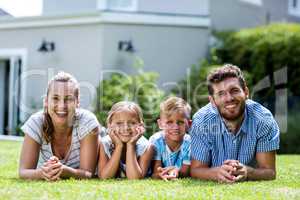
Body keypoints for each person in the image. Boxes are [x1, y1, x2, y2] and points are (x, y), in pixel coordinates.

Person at [190, 64, 280, 183]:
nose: (229, 98)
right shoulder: (202, 121)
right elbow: (196, 169)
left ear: (246, 92)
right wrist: (216, 173)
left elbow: (269, 172)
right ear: (212, 100)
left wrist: (248, 172)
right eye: (221, 94)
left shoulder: (263, 120)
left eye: (234, 90)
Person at [19, 72, 100, 181]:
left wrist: (65, 171)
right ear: (46, 101)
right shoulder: (36, 123)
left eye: (69, 99)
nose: (62, 105)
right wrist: (42, 173)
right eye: (55, 98)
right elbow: (23, 172)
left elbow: (88, 174)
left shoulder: (87, 123)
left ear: (77, 102)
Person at [97, 101, 153, 179]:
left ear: (141, 125)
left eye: (132, 123)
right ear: (109, 125)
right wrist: (118, 146)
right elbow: (105, 177)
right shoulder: (105, 143)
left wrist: (131, 145)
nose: (126, 128)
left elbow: (134, 178)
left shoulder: (146, 146)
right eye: (119, 123)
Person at [150, 97, 191, 181]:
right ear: (160, 124)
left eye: (180, 122)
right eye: (169, 122)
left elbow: (185, 172)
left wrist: (176, 171)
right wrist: (161, 174)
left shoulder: (190, 143)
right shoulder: (156, 141)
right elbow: (155, 172)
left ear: (189, 124)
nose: (175, 127)